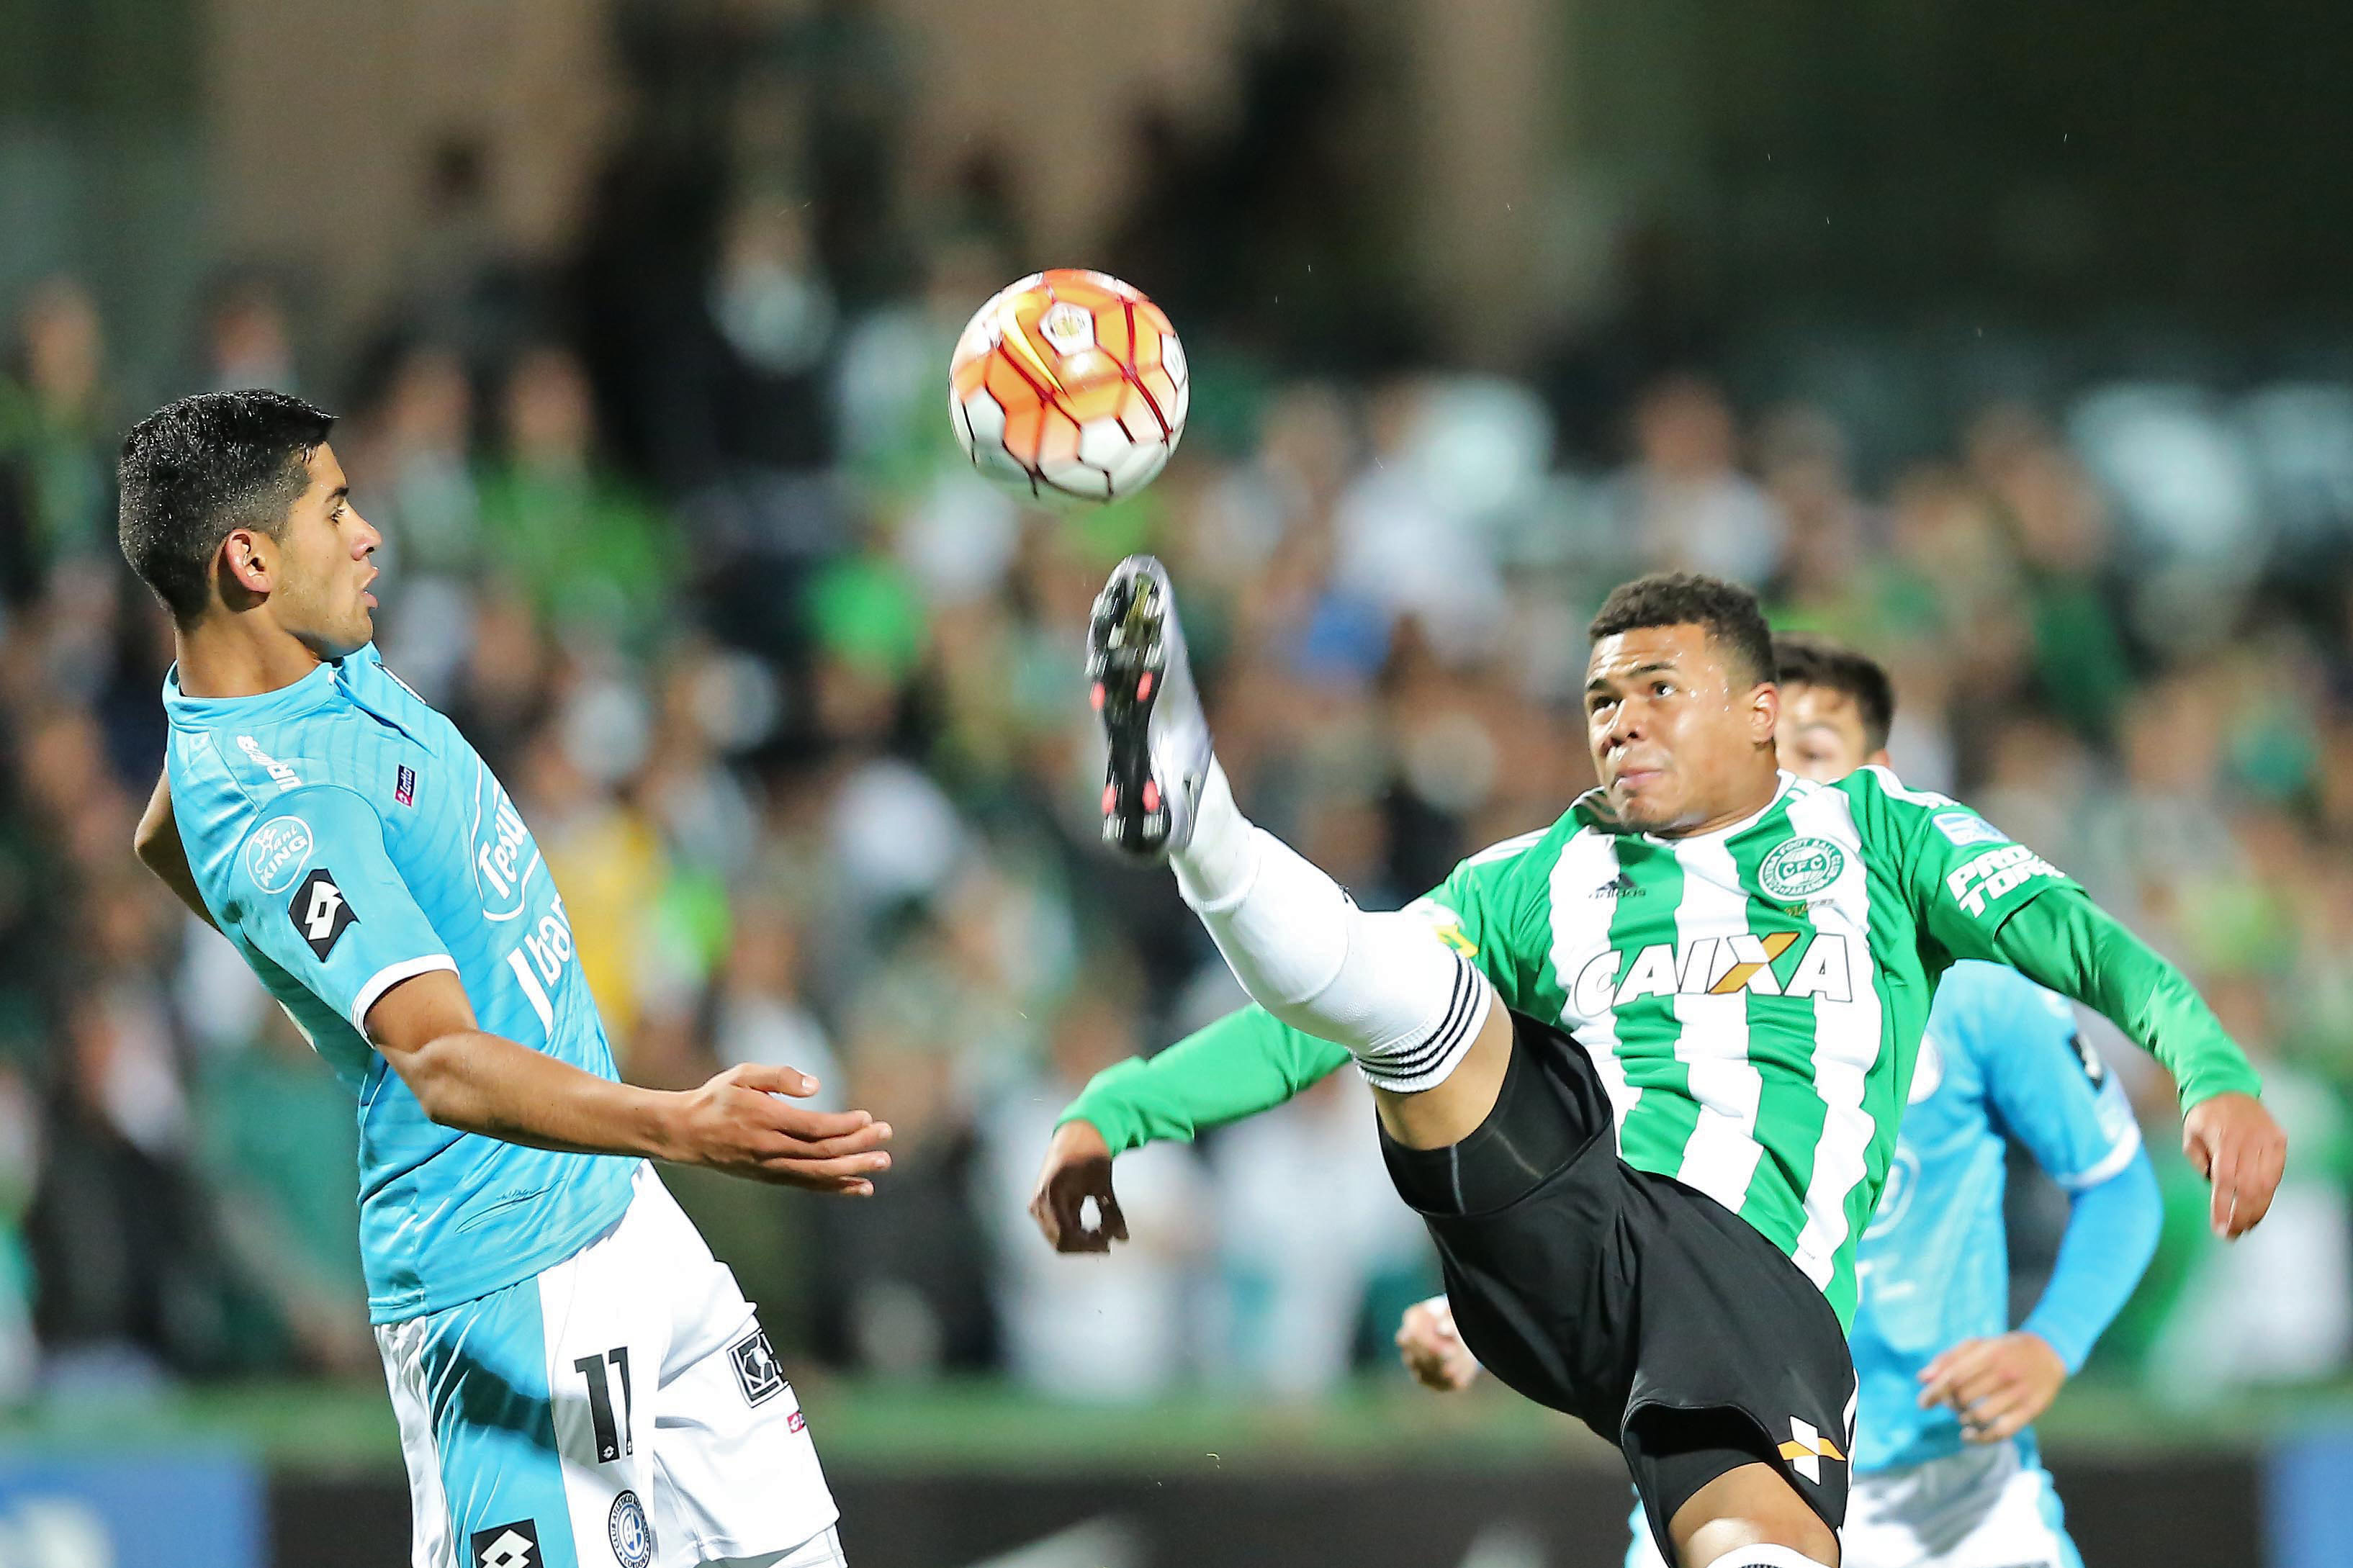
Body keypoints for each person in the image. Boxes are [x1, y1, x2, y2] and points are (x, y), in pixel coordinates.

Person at [1035, 560, 2285, 1568]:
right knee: (1403, 997)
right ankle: (1197, 817)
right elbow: (1316, 1014)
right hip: (1574, 1213)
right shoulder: (1542, 875)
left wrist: (2209, 1064)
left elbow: (2076, 935)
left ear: (1758, 714)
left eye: (1655, 689)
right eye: (1599, 700)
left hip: (1749, 1290)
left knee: (1753, 1549)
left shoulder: (1878, 834)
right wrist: (1118, 1110)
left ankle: (1207, 825)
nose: (1619, 720)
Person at [118, 389, 890, 1568]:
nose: (370, 532)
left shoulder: (268, 679)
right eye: (336, 509)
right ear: (250, 559)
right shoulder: (288, 808)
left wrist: (323, 977)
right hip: (506, 1282)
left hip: (617, 1212)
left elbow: (164, 836)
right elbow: (436, 1059)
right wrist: (683, 1122)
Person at [1399, 633, 2164, 1568]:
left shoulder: (1981, 991)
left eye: (1812, 761)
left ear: (1881, 780)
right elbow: (1595, 1213)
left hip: (1955, 1507)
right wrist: (1483, 1314)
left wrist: (2051, 1342)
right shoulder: (1648, 986)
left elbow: (2119, 1184)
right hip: (1726, 1460)